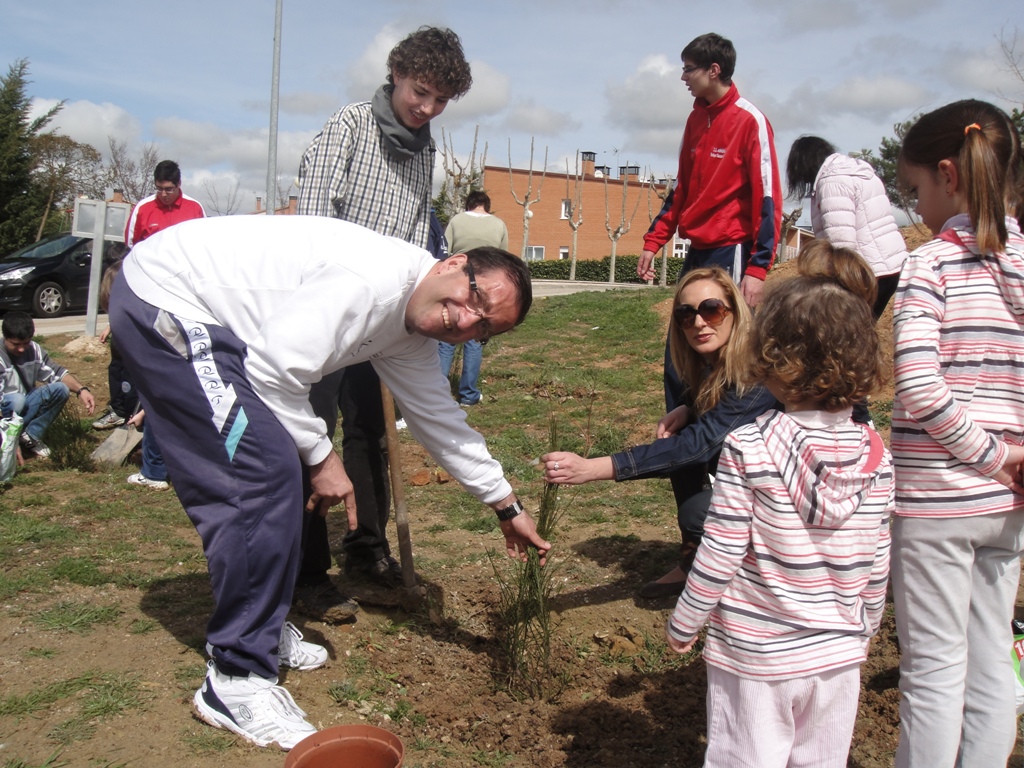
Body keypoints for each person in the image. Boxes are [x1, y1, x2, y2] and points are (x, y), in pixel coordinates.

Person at [108, 214, 550, 750]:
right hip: (168, 296)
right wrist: (323, 457)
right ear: (454, 263)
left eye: (484, 328)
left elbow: (441, 422)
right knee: (262, 473)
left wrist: (507, 505)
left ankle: (259, 630)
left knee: (277, 464)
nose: (464, 321)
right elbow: (273, 371)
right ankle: (236, 680)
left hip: (226, 329)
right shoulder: (375, 280)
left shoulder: (411, 329)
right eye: (472, 297)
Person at [666, 255, 893, 768]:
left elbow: (721, 550)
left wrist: (687, 620)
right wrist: (868, 623)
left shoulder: (751, 446)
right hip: (839, 654)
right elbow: (879, 555)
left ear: (771, 358)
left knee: (746, 757)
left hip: (757, 653)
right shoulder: (878, 455)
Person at [294, 27, 473, 613]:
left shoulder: (427, 150)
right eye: (420, 91)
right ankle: (307, 571)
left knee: (369, 431)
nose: (426, 107)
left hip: (384, 319)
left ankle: (367, 545)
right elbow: (314, 229)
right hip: (324, 312)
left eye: (440, 100)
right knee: (311, 438)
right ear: (396, 72)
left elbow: (418, 230)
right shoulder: (346, 129)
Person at [889, 100, 1024, 768]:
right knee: (994, 660)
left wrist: (992, 457)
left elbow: (918, 386)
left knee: (935, 671)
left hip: (941, 500)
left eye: (915, 190)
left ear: (948, 174)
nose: (916, 206)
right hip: (1008, 508)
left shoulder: (930, 267)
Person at [543, 267, 779, 598]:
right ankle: (696, 561)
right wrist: (691, 408)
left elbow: (697, 447)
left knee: (697, 508)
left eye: (711, 309)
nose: (699, 323)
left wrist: (591, 468)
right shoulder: (715, 365)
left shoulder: (756, 372)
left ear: (735, 311)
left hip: (803, 501)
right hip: (768, 482)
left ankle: (764, 577)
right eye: (686, 314)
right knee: (678, 446)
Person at [637, 32, 782, 308]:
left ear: (714, 70)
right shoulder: (694, 120)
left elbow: (768, 200)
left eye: (689, 69)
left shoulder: (751, 121)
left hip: (732, 249)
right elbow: (680, 192)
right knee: (681, 343)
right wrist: (653, 242)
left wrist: (758, 269)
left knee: (725, 344)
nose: (683, 78)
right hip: (697, 251)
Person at [93, 160, 205, 434]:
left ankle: (167, 409)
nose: (163, 194)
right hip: (147, 289)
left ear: (178, 186)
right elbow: (128, 256)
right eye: (159, 189)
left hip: (181, 291)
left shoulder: (194, 209)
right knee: (129, 348)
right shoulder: (143, 209)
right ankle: (123, 405)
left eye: (168, 189)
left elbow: (203, 249)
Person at [786, 135, 908, 318]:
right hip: (889, 266)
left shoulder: (832, 181)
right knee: (862, 332)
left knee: (848, 334)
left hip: (866, 272)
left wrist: (837, 283)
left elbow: (841, 240)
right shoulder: (860, 173)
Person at [439, 190, 509, 406]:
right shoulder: (499, 224)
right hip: (485, 285)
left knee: (446, 338)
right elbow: (504, 259)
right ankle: (468, 394)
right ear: (486, 205)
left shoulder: (456, 221)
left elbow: (444, 251)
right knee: (474, 339)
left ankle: (438, 393)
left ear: (468, 204)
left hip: (457, 281)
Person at [0, 312, 96, 458]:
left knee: (60, 389)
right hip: (4, 414)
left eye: (25, 343)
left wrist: (81, 390)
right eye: (16, 344)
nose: (21, 349)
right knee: (17, 400)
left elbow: (57, 373)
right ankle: (10, 438)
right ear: (5, 338)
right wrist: (8, 439)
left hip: (24, 406)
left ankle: (30, 436)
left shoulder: (34, 349)